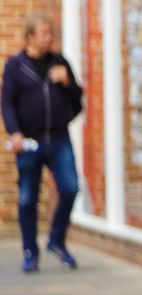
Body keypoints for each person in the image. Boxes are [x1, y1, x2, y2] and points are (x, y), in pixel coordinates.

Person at [1, 14, 82, 273]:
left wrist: (68, 83)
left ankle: (56, 240)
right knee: (27, 198)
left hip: (59, 139)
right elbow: (7, 103)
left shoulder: (60, 63)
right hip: (30, 143)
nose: (50, 38)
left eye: (51, 33)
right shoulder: (16, 66)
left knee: (70, 188)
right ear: (30, 37)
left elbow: (78, 101)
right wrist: (14, 133)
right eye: (44, 33)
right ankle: (29, 252)